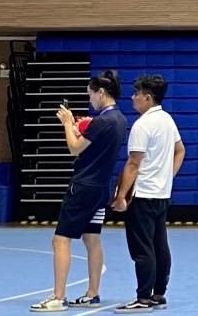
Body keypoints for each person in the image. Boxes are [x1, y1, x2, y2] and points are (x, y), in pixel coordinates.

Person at [30, 70, 127, 312]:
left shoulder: (101, 122)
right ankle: (93, 293)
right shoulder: (119, 119)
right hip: (101, 187)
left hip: (84, 186)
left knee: (60, 239)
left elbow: (74, 148)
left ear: (100, 92)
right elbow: (93, 146)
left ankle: (58, 297)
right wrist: (76, 127)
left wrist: (66, 124)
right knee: (92, 238)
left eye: (90, 94)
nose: (90, 100)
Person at [110, 75, 184, 313]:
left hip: (142, 195)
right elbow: (180, 151)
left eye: (136, 93)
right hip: (161, 194)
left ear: (148, 98)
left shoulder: (142, 125)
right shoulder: (167, 120)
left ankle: (143, 298)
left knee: (142, 248)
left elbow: (133, 163)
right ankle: (159, 293)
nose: (132, 97)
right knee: (159, 245)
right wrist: (167, 177)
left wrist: (121, 196)